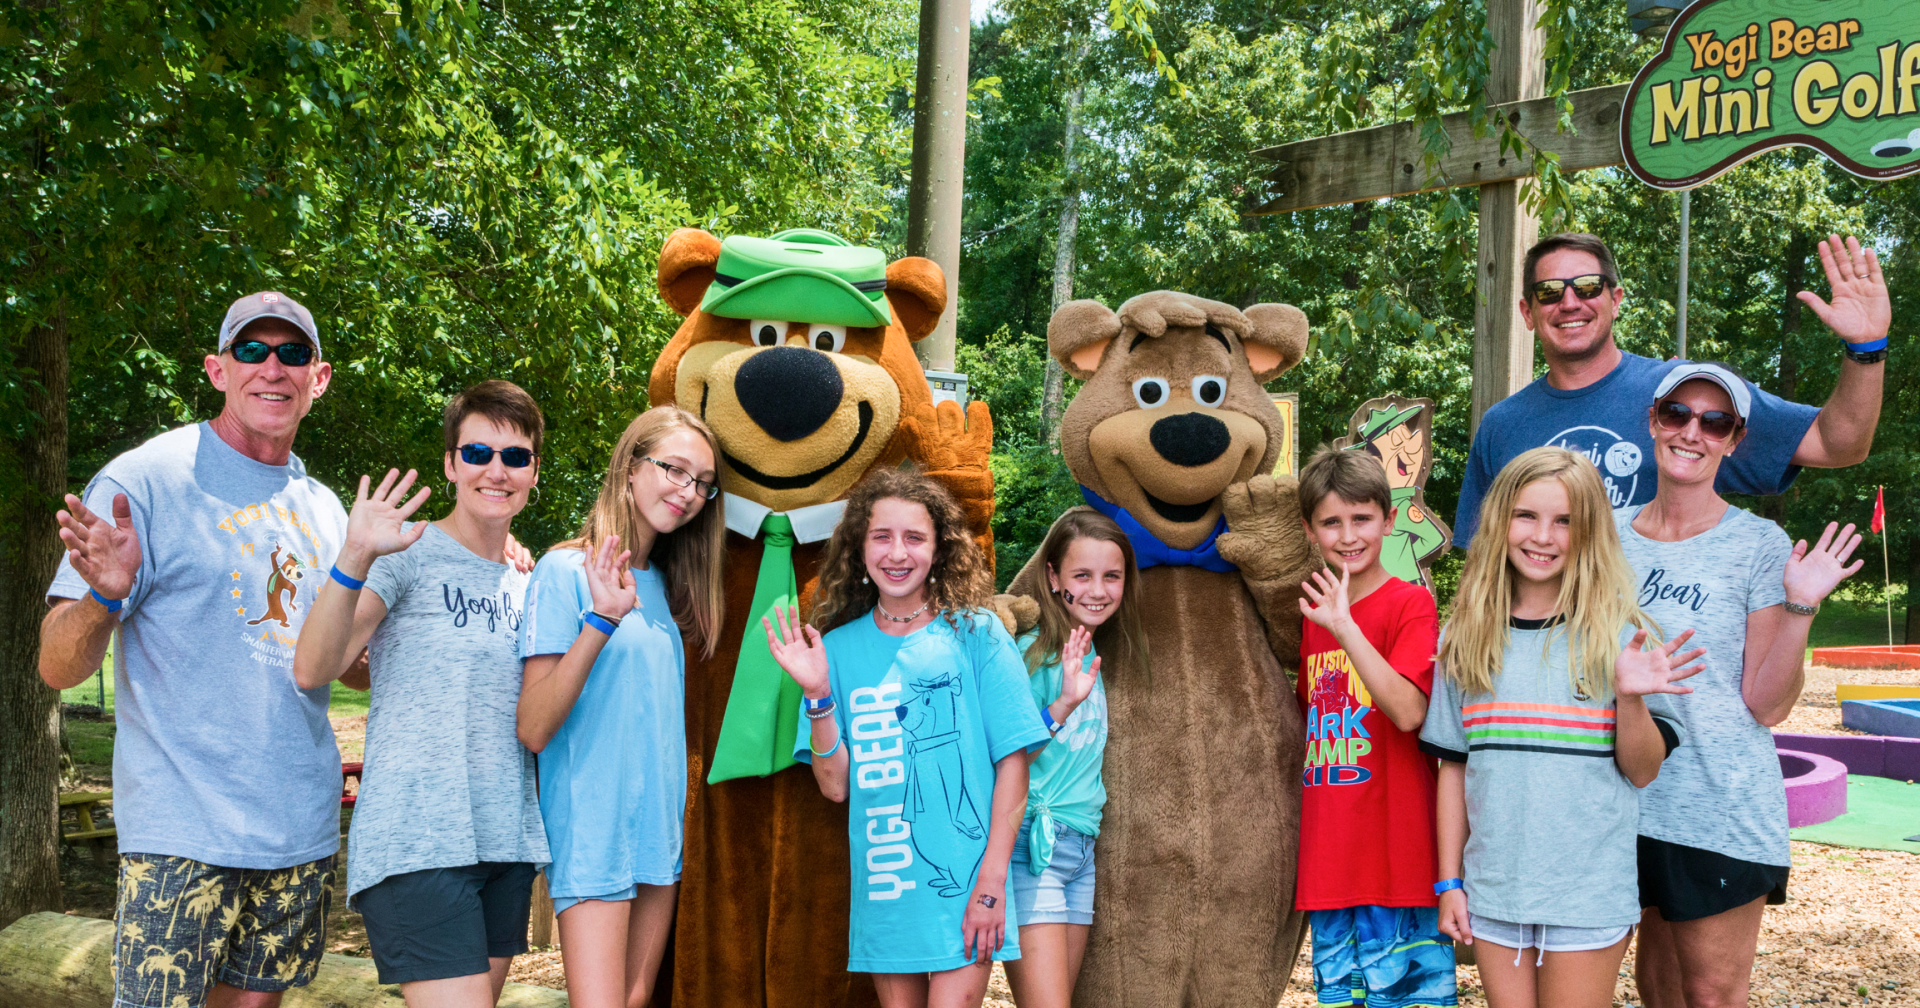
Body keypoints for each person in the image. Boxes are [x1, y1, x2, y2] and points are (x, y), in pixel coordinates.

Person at [40, 291, 348, 1008]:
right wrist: (106, 595)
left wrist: (496, 550)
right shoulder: (144, 481)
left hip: (298, 829)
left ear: (318, 378)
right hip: (181, 830)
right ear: (217, 369)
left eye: (292, 353)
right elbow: (57, 665)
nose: (272, 367)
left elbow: (347, 662)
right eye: (251, 350)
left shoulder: (327, 511)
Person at [292, 380, 551, 1006]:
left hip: (505, 841)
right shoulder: (403, 554)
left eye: (515, 457)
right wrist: (356, 553)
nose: (497, 470)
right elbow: (313, 667)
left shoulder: (530, 580)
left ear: (534, 472)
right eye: (478, 453)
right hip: (418, 842)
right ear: (450, 464)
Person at [1611, 364, 1863, 1008]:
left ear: (1735, 440)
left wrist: (1801, 607)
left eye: (1714, 421)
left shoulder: (1757, 544)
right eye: (1677, 414)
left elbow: (1767, 703)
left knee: (1712, 992)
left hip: (1717, 804)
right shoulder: (1605, 534)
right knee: (1657, 987)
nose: (1692, 432)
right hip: (1622, 800)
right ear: (1652, 422)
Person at [1420, 447, 1701, 1008]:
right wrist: (1449, 881)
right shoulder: (1464, 638)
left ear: (1589, 532)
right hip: (1495, 890)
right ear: (1499, 521)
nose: (1543, 536)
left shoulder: (1623, 636)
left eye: (1565, 521)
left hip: (1586, 893)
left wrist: (1629, 697)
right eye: (1527, 515)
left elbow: (1643, 771)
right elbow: (1454, 769)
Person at [762, 467, 1048, 1008]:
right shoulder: (837, 650)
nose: (898, 553)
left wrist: (990, 886)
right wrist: (820, 692)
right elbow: (834, 786)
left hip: (969, 886)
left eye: (914, 537)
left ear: (939, 549)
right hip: (887, 891)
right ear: (860, 549)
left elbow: (1014, 764)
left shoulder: (978, 632)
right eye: (882, 536)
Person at [1453, 232, 1890, 546]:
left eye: (1587, 287)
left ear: (1616, 300)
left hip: (1660, 660)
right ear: (1528, 312)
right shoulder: (1502, 425)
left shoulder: (1687, 398)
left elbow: (1841, 445)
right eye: (1549, 292)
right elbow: (1482, 564)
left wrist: (1866, 347)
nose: (1569, 302)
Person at [515, 406, 726, 1008]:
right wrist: (600, 622)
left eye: (702, 483)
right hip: (593, 827)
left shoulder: (670, 587)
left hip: (659, 834)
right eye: (675, 470)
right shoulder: (564, 571)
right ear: (631, 468)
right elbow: (533, 726)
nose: (688, 492)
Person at [1292, 446, 1452, 1008]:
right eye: (1331, 522)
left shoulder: (1410, 604)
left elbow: (1409, 711)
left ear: (1387, 519)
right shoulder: (1311, 615)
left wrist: (1344, 625)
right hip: (1331, 857)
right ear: (1310, 531)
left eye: (1361, 519)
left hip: (1398, 857)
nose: (1348, 535)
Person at [1002, 511, 1146, 1008]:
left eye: (1112, 576)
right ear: (1052, 577)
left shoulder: (1089, 653)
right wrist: (1061, 704)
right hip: (1034, 847)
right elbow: (1011, 756)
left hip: (1080, 850)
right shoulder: (1032, 652)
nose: (1098, 590)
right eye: (1081, 576)